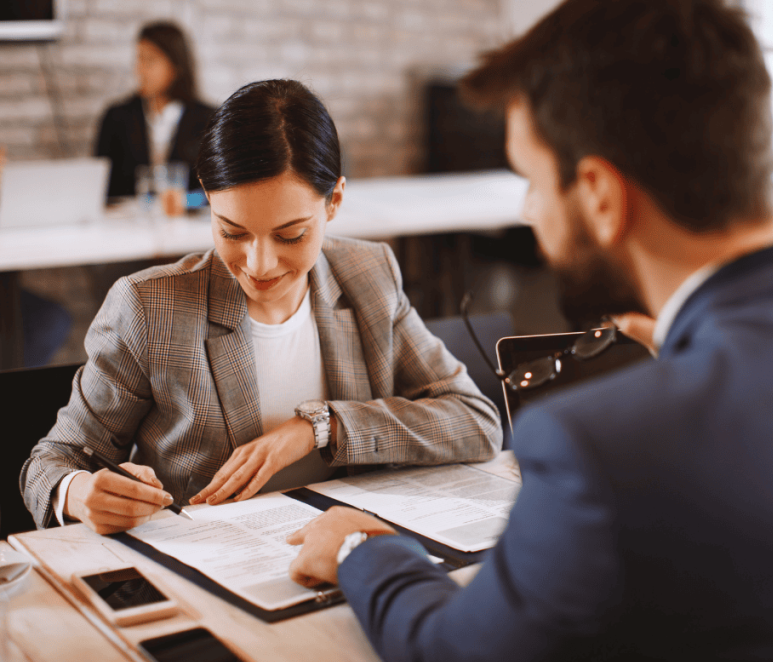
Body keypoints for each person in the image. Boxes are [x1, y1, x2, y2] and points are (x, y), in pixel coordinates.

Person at [287, 1, 773, 662]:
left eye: (531, 182)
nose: (531, 211)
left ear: (600, 196)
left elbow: (455, 657)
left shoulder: (601, 446)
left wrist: (363, 550)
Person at [20, 79, 502, 535]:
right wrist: (77, 492)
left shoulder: (369, 275)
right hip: (207, 562)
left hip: (343, 553)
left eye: (290, 235)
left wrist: (322, 426)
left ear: (334, 201)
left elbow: (476, 421)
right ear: (207, 196)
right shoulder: (149, 307)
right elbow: (52, 463)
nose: (258, 264)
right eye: (232, 232)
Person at [95, 21, 215, 199]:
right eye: (139, 59)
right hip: (127, 216)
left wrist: (185, 201)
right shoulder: (116, 117)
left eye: (150, 61)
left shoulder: (209, 120)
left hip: (188, 215)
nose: (140, 70)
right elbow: (101, 186)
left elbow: (217, 190)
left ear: (176, 66)